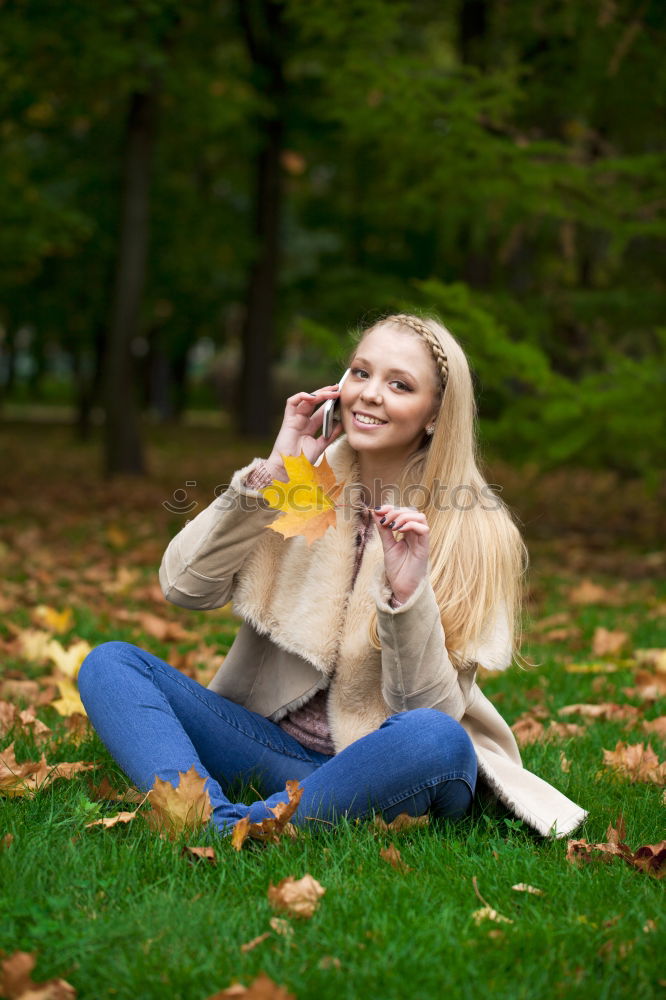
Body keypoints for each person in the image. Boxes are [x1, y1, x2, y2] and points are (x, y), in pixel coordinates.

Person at [78, 313, 588, 839]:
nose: (369, 393)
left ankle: (250, 824)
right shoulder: (303, 484)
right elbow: (185, 587)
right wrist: (276, 472)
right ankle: (214, 820)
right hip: (274, 752)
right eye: (360, 373)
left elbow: (427, 710)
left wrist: (408, 596)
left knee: (435, 736)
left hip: (394, 768)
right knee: (110, 664)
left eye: (399, 384)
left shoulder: (475, 528)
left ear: (435, 413)